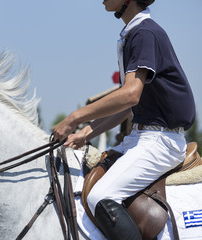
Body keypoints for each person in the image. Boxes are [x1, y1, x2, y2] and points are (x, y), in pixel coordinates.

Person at [53, 0, 195, 239]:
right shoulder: (134, 34)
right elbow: (128, 108)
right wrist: (87, 132)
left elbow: (130, 94)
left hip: (161, 141)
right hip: (142, 137)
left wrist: (74, 117)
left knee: (101, 196)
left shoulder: (145, 33)